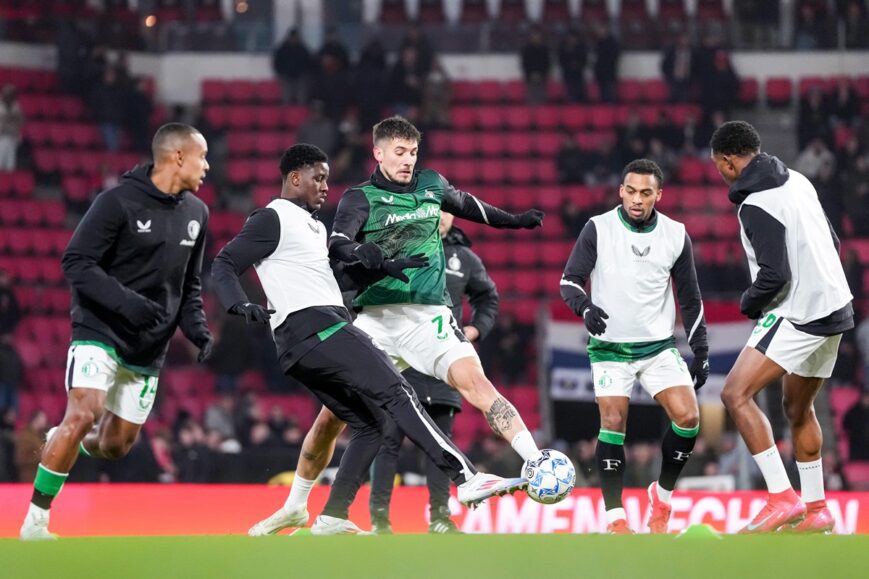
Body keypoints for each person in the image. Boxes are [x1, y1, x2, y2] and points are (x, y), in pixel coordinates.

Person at [212, 144, 526, 536]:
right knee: (398, 392)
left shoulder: (312, 227)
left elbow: (334, 283)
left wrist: (383, 268)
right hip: (317, 328)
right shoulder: (272, 217)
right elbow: (223, 263)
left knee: (372, 423)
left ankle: (333, 516)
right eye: (318, 177)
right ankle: (466, 479)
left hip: (304, 342)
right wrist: (238, 305)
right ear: (295, 178)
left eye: (327, 177)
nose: (326, 186)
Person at [19, 123, 214, 540]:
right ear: (178, 156)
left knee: (115, 445)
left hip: (149, 344)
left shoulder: (198, 213)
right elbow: (75, 262)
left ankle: (63, 439)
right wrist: (126, 303)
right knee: (83, 412)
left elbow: (189, 285)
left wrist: (196, 327)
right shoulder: (117, 202)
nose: (208, 166)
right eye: (202, 156)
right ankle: (35, 520)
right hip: (100, 328)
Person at [328, 116, 544, 466]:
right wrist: (359, 252)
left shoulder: (431, 184)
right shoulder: (360, 198)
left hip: (429, 319)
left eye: (413, 152)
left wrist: (515, 221)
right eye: (400, 152)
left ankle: (536, 460)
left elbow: (473, 207)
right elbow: (337, 242)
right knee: (332, 415)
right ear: (378, 153)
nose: (408, 160)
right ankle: (298, 500)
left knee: (476, 383)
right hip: (376, 321)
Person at [710, 120, 854, 533]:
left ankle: (780, 498)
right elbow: (833, 241)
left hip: (800, 310)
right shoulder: (799, 181)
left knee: (735, 394)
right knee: (797, 407)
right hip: (835, 305)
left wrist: (748, 303)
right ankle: (817, 510)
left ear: (730, 161)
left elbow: (775, 276)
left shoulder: (756, 202)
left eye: (720, 165)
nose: (720, 172)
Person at [560, 158, 709, 534]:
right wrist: (586, 306)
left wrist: (701, 349)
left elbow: (690, 298)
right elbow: (570, 282)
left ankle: (662, 497)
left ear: (659, 195)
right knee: (612, 423)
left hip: (658, 347)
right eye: (631, 191)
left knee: (689, 419)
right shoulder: (598, 228)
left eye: (646, 192)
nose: (637, 199)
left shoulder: (676, 235)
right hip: (610, 349)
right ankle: (615, 519)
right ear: (620, 191)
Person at [369, 211, 499, 534]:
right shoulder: (399, 248)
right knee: (388, 440)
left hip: (442, 362)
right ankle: (379, 519)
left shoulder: (464, 258)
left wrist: (475, 330)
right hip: (401, 362)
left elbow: (488, 298)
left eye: (447, 211)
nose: (441, 217)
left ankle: (440, 517)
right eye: (436, 210)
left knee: (441, 442)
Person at [0, 84, 24, 171]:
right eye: (7, 94)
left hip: (13, 136)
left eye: (11, 94)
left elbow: (21, 121)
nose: (8, 96)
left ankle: (9, 179)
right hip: (1, 135)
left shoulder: (16, 106)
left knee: (10, 160)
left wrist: (12, 117)